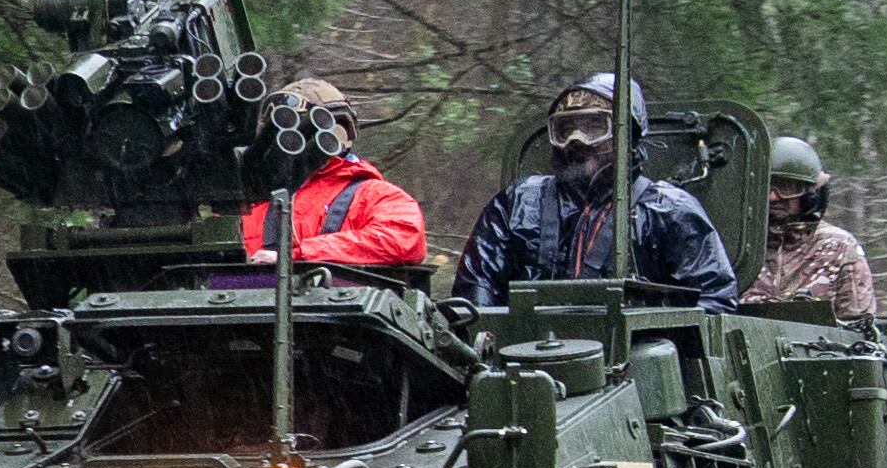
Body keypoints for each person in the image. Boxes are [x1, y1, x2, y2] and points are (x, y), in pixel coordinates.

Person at [452, 73, 739, 310]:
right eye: (565, 129)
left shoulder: (669, 211)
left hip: (631, 366)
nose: (577, 141)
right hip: (521, 362)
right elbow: (476, 291)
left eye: (594, 127)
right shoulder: (517, 202)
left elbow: (713, 300)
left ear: (628, 135)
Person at [233, 78, 428, 271]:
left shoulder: (375, 196)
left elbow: (403, 238)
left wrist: (299, 254)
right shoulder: (251, 198)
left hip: (334, 297)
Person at [750, 135, 876, 313]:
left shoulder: (838, 248)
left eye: (786, 187)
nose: (773, 197)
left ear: (809, 195)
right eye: (766, 187)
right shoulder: (737, 245)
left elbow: (856, 326)